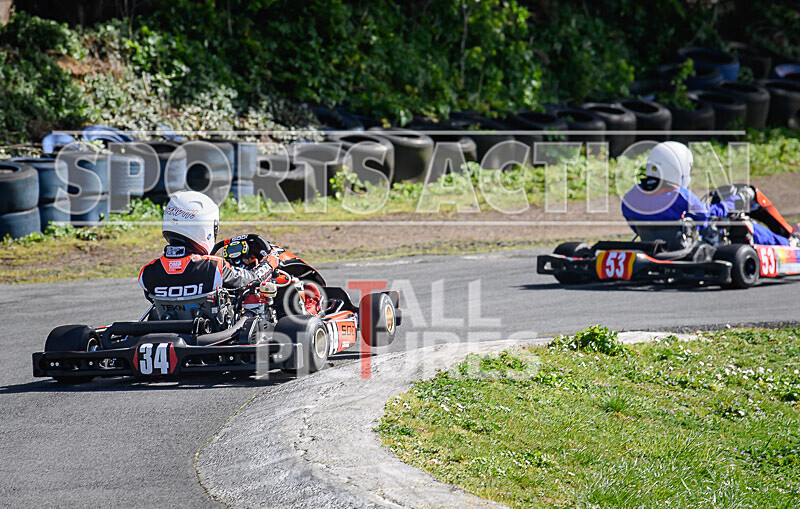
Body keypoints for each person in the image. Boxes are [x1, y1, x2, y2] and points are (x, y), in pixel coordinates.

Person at [621, 141, 797, 246]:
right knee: (743, 224)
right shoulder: (680, 196)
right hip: (689, 245)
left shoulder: (630, 198)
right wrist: (736, 200)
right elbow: (709, 215)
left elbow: (636, 227)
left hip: (656, 246)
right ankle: (789, 242)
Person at [138, 191, 273, 300]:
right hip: (208, 325)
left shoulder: (148, 273)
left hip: (169, 323)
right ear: (205, 227)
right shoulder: (214, 268)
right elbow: (251, 279)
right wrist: (270, 262)